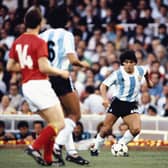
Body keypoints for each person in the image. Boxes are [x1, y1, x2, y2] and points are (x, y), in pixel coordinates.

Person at [7, 7, 69, 166]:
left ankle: (48, 160)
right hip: (40, 84)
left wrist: (27, 67)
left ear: (25, 23)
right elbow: (44, 68)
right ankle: (34, 147)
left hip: (27, 87)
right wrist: (61, 72)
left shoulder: (18, 40)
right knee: (60, 123)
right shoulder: (40, 41)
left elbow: (10, 66)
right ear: (40, 23)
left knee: (52, 123)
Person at [39, 27, 90, 165]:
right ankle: (57, 145)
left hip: (45, 78)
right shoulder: (66, 34)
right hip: (60, 76)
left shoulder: (42, 35)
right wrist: (83, 64)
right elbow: (72, 60)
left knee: (65, 118)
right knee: (75, 115)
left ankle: (71, 152)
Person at [90, 50, 153, 156]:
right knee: (106, 129)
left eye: (131, 62)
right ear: (123, 63)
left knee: (136, 129)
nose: (128, 64)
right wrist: (105, 99)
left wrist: (148, 82)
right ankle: (95, 148)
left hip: (131, 104)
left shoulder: (142, 70)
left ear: (135, 62)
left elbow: (147, 75)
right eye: (126, 62)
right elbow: (103, 86)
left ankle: (120, 144)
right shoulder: (118, 74)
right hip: (117, 103)